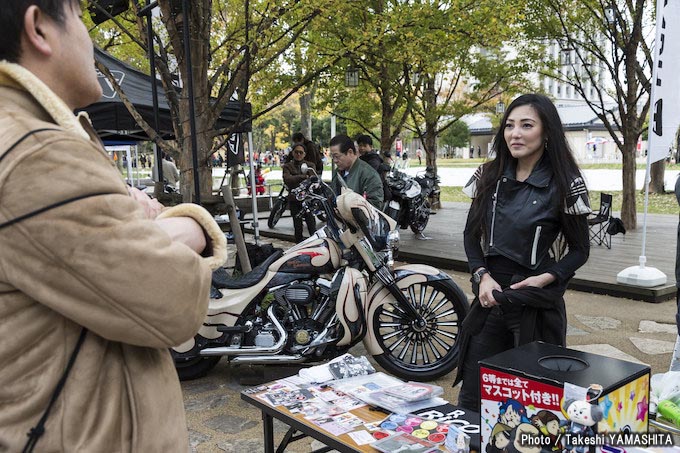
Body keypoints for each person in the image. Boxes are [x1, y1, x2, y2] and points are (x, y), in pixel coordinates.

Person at [0, 1, 227, 451]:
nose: (92, 40)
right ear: (39, 27)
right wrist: (190, 226)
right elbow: (173, 300)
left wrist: (141, 232)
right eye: (81, 18)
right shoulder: (37, 154)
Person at [454, 94, 591, 411]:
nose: (515, 133)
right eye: (510, 125)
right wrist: (482, 276)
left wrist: (546, 278)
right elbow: (470, 235)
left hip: (535, 304)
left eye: (526, 125)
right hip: (491, 297)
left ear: (546, 132)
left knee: (532, 405)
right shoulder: (487, 175)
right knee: (473, 399)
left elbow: (580, 250)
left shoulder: (566, 183)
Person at [330, 134, 384, 209]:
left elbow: (375, 206)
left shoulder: (369, 175)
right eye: (332, 157)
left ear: (350, 152)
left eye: (337, 156)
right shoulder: (338, 172)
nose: (335, 161)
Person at [283, 144, 317, 242]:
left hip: (308, 199)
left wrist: (297, 178)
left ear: (304, 154)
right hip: (294, 199)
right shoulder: (287, 166)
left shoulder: (310, 165)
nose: (298, 154)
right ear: (292, 153)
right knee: (297, 227)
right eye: (296, 152)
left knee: (312, 225)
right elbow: (287, 179)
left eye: (301, 152)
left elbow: (312, 179)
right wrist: (302, 177)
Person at [356, 134, 391, 202]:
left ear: (370, 146)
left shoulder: (374, 159)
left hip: (375, 193)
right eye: (360, 145)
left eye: (364, 146)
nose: (362, 148)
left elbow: (366, 175)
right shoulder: (362, 159)